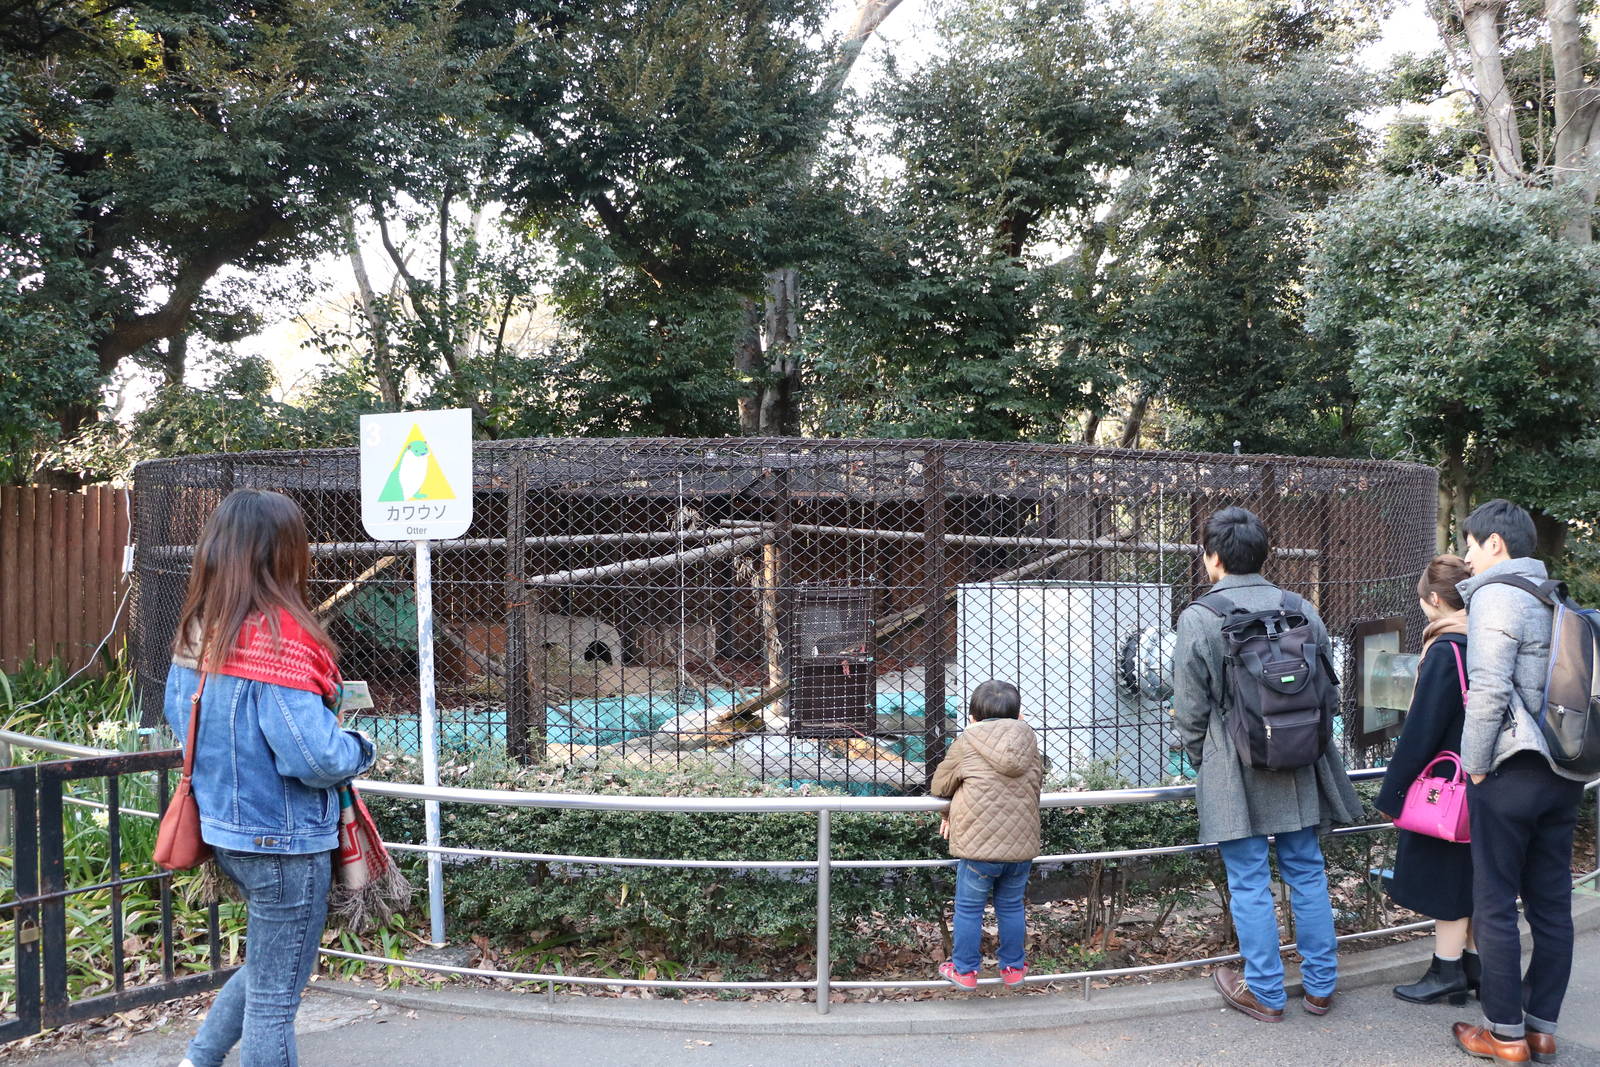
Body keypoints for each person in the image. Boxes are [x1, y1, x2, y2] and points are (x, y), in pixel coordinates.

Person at [167, 489, 375, 1067]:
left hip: (225, 831)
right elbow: (314, 759)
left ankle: (198, 1058)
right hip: (283, 842)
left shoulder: (197, 630)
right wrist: (361, 748)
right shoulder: (280, 640)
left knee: (267, 968)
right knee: (277, 997)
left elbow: (177, 720)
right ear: (284, 553)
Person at [1173, 506, 1362, 1023]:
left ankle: (1266, 993)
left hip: (1234, 765)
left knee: (1249, 880)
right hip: (1301, 760)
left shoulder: (1200, 617)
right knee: (1306, 871)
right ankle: (1321, 987)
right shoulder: (1303, 609)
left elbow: (1190, 708)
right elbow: (1330, 693)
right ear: (1264, 554)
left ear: (1211, 557)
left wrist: (1205, 759)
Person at [1451, 499, 1589, 1065]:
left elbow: (1487, 689)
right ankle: (1542, 1028)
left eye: (1470, 544)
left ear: (1496, 545)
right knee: (1552, 905)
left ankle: (1504, 1035)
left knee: (1494, 904)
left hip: (1510, 771)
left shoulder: (1496, 595)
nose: (1466, 557)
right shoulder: (1559, 598)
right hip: (1566, 770)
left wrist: (1474, 764)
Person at [1376, 555, 1477, 1005]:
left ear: (1434, 600)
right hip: (1485, 778)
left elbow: (1421, 730)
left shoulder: (1445, 649)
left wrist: (1392, 792)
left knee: (1445, 878)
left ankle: (1447, 971)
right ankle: (1475, 967)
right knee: (1473, 876)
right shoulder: (1484, 640)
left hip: (1446, 785)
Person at [930, 680, 1043, 991]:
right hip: (1020, 844)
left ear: (972, 718)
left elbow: (940, 786)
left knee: (969, 908)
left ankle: (965, 970)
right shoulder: (1029, 741)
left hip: (978, 845)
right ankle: (1013, 968)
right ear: (1018, 716)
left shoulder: (966, 742)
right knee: (1010, 905)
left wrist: (948, 810)